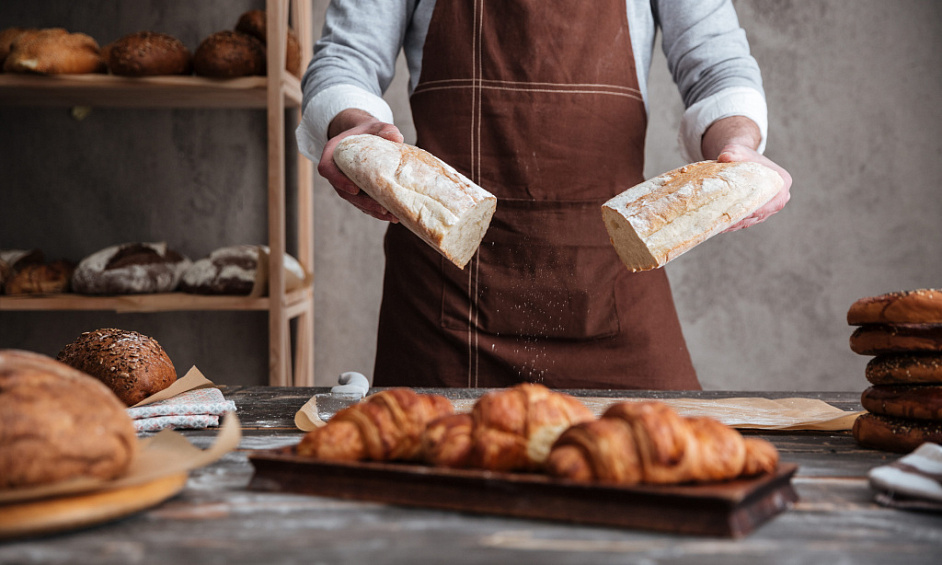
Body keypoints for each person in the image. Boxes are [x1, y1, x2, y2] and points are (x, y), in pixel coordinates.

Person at [296, 0, 793, 390]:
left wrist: (738, 144)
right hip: (444, 308)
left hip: (613, 282)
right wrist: (357, 127)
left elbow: (717, 65)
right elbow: (346, 58)